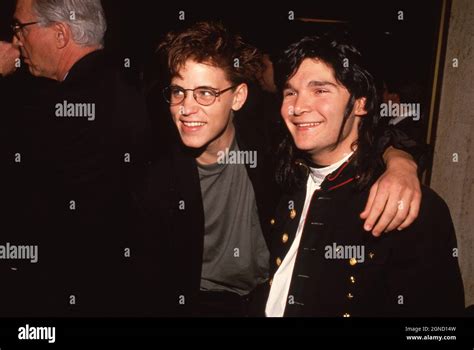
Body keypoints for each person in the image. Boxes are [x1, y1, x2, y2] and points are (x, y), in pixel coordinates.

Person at [131, 21, 424, 317]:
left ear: (238, 97)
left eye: (205, 93)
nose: (186, 107)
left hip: (264, 299)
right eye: (179, 92)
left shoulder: (272, 144)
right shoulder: (154, 176)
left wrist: (399, 161)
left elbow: (356, 129)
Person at [265, 33, 465, 317]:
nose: (298, 107)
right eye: (290, 92)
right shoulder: (282, 180)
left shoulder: (407, 206)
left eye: (320, 90)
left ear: (361, 103)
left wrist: (400, 162)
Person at [1, 0, 149, 316]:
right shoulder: (134, 86)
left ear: (60, 34)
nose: (15, 40)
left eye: (20, 28)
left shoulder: (55, 108)